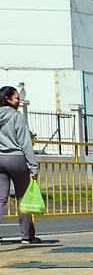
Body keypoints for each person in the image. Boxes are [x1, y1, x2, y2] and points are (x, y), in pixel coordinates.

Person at [0, 86, 41, 244]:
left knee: (0, 199)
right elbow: (25, 143)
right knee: (23, 198)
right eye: (17, 98)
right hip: (16, 159)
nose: (19, 101)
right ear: (8, 99)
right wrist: (33, 166)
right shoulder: (17, 116)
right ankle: (27, 236)